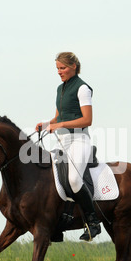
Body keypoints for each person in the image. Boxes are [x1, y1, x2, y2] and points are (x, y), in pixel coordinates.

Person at [36, 52, 101, 241]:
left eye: (62, 68)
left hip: (79, 141)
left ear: (73, 66)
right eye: (57, 68)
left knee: (73, 179)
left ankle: (93, 223)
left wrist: (60, 125)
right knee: (51, 180)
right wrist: (47, 124)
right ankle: (57, 223)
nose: (59, 72)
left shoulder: (82, 89)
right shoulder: (60, 89)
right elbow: (59, 117)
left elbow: (87, 119)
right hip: (62, 142)